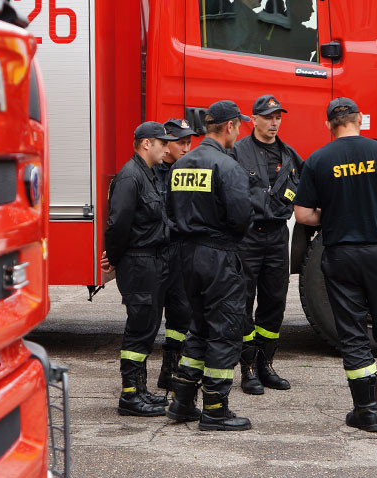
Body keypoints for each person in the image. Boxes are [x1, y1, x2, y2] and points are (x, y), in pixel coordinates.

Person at [293, 98, 377, 432]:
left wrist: (331, 215)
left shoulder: (318, 160)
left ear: (329, 126)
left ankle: (367, 413)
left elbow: (303, 214)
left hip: (340, 256)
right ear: (360, 120)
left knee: (353, 335)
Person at [165, 100, 254, 431]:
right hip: (219, 256)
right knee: (226, 331)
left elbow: (170, 212)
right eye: (239, 125)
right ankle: (215, 409)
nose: (239, 131)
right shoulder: (227, 167)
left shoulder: (180, 165)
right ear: (229, 126)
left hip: (187, 257)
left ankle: (183, 401)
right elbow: (241, 218)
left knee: (199, 328)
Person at [103, 121, 176, 417]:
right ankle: (130, 395)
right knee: (139, 329)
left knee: (147, 328)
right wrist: (117, 259)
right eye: (162, 143)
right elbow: (118, 224)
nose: (166, 148)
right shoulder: (130, 177)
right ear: (146, 144)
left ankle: (141, 389)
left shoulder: (148, 175)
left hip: (152, 261)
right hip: (139, 262)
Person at [230, 95, 302, 395]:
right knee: (243, 302)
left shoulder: (289, 154)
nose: (274, 122)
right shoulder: (237, 152)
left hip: (276, 235)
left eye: (278, 117)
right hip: (247, 236)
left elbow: (303, 188)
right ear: (254, 119)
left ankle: (265, 364)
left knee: (274, 302)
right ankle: (247, 368)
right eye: (268, 117)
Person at [152, 119, 198, 391]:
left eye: (189, 141)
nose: (186, 147)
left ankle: (170, 370)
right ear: (165, 142)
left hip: (180, 253)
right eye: (181, 142)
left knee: (181, 314)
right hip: (156, 253)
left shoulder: (187, 170)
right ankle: (137, 383)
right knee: (148, 318)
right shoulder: (151, 172)